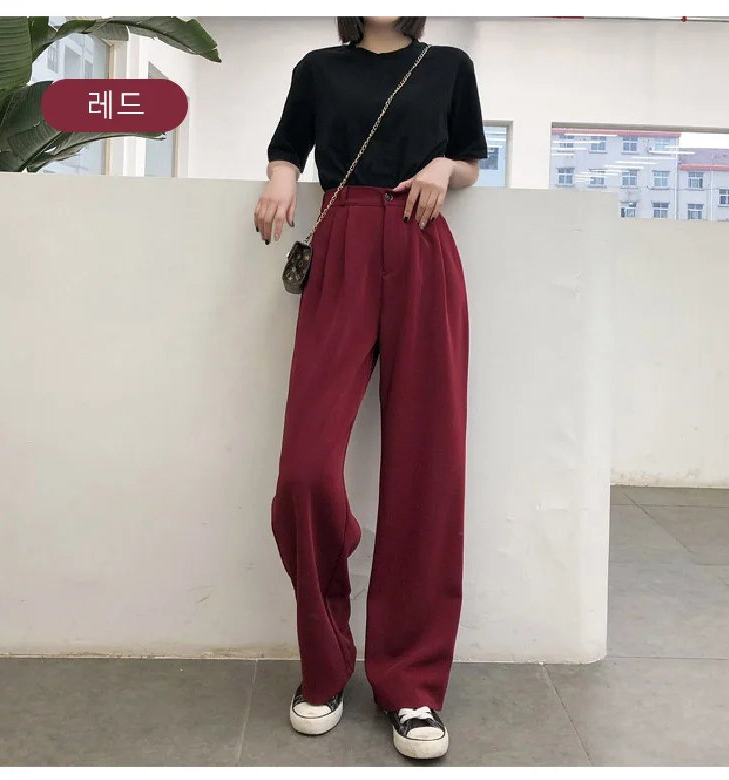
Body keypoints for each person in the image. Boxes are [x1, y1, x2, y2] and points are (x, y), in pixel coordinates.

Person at [254, 15, 487, 760]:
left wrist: (442, 168)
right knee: (306, 470)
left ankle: (411, 682)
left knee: (428, 470)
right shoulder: (318, 67)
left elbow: (471, 159)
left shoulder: (448, 65)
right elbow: (289, 144)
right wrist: (280, 179)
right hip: (343, 243)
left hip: (423, 243)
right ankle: (325, 664)